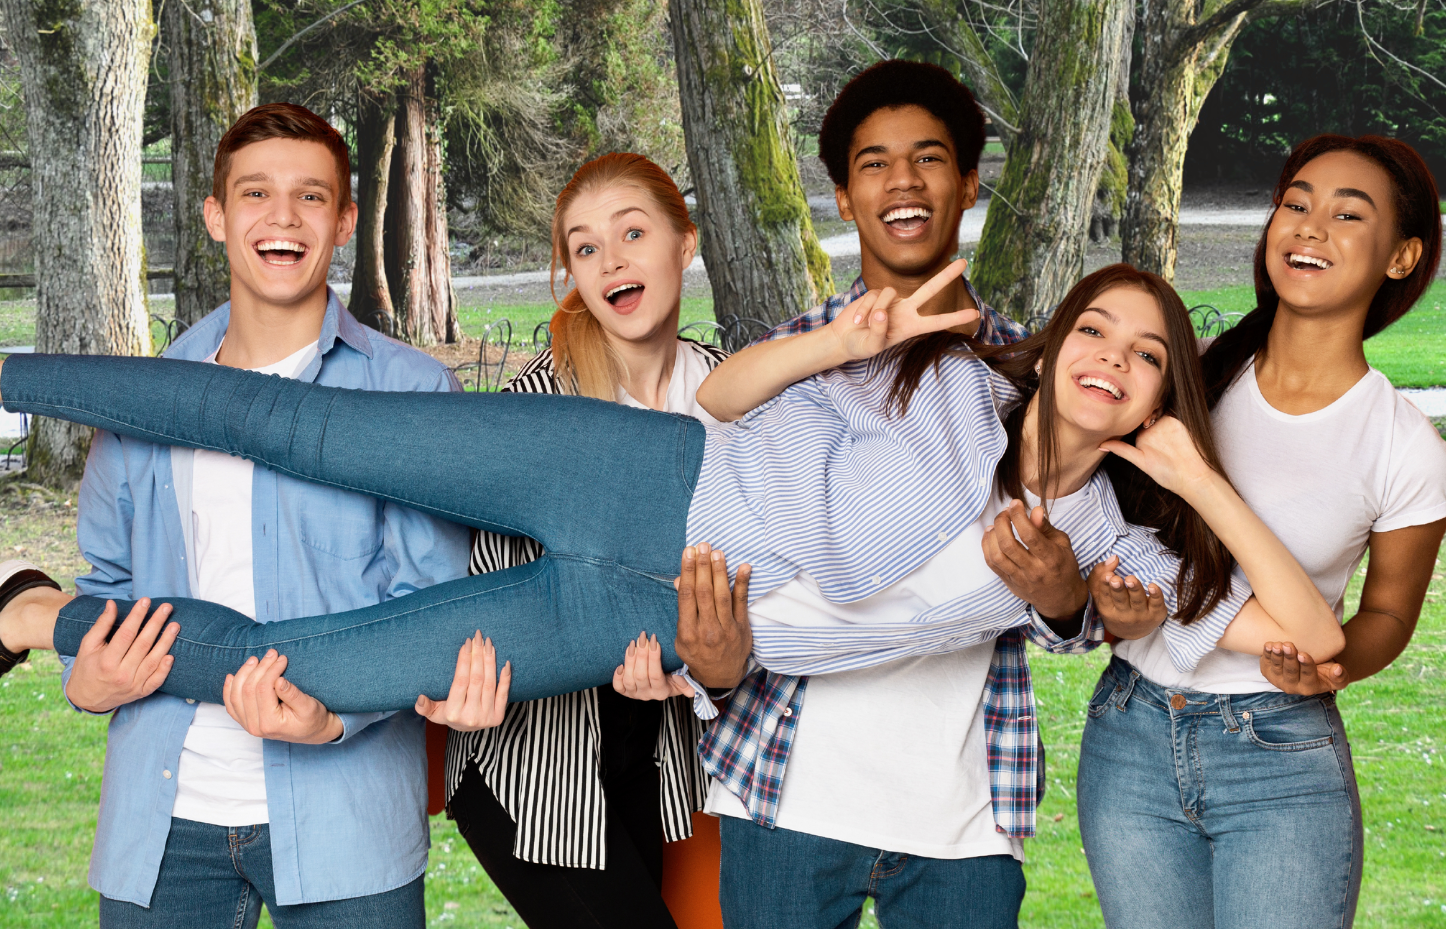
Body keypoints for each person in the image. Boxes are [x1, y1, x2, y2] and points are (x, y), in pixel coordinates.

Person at [0, 103, 473, 928]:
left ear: (346, 220)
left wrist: (335, 718)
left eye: (312, 197)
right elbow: (106, 589)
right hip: (163, 821)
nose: (282, 217)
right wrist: (87, 681)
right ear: (217, 217)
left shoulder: (412, 394)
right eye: (255, 193)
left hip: (346, 815)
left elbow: (427, 609)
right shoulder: (144, 400)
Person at [1076, 134, 1446, 929]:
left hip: (1279, 754)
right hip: (1131, 735)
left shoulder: (1403, 444)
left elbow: (1385, 618)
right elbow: (1098, 531)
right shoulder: (1183, 378)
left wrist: (1335, 667)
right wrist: (1104, 603)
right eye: (1296, 204)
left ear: (1402, 255)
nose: (1309, 227)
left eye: (1349, 214)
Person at [440, 151, 730, 929]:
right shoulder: (532, 411)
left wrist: (698, 673)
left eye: (633, 232)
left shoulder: (732, 396)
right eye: (586, 246)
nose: (612, 260)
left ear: (685, 243)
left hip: (654, 742)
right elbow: (495, 594)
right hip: (532, 765)